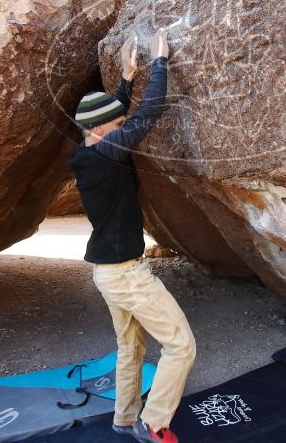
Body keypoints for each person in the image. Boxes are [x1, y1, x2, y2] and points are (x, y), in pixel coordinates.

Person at [67, 28, 195, 443]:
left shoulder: (90, 152)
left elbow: (119, 115)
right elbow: (145, 115)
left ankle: (124, 420)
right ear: (103, 131)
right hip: (126, 275)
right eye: (116, 127)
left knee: (130, 350)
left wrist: (126, 77)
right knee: (181, 346)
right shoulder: (106, 152)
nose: (125, 131)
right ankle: (152, 423)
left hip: (108, 274)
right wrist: (160, 63)